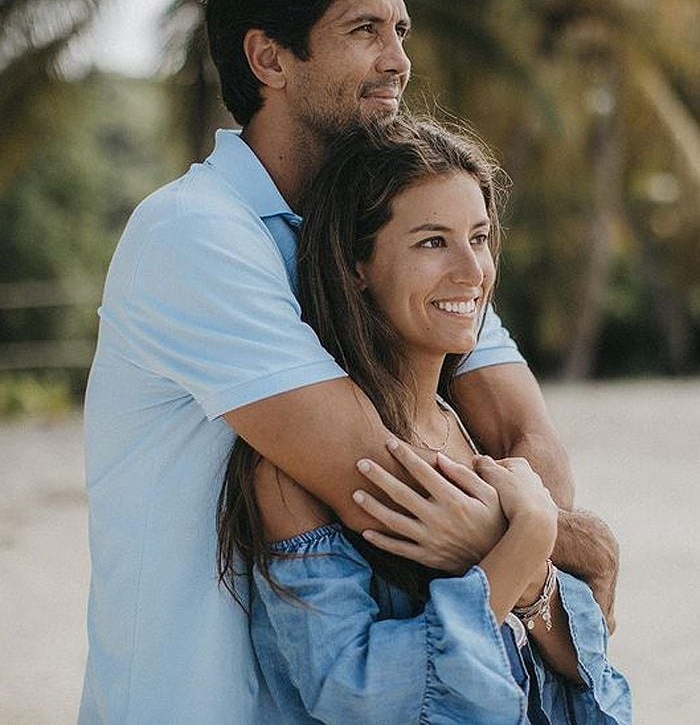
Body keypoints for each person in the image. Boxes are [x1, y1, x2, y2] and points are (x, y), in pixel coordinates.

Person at [80, 0, 619, 722]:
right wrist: (561, 542)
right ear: (270, 60)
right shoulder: (195, 234)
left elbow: (530, 447)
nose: (399, 60)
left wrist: (534, 526)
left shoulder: (394, 230)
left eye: (399, 30)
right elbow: (382, 484)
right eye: (364, 31)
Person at [217, 116, 631, 724]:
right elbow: (355, 689)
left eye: (480, 236)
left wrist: (527, 573)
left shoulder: (468, 432)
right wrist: (528, 539)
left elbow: (583, 664)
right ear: (357, 265)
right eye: (432, 242)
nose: (472, 270)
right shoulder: (292, 469)